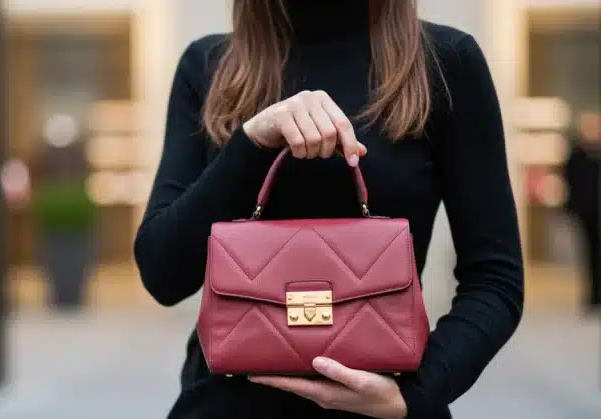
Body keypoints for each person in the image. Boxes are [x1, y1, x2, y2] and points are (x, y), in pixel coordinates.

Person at [134, 1, 524, 418]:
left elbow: (495, 278)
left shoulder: (445, 62)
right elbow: (163, 275)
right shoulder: (208, 65)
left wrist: (415, 393)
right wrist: (252, 143)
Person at [563, 111, 601, 310]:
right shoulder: (576, 156)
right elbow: (570, 183)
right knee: (589, 254)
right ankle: (593, 294)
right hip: (587, 212)